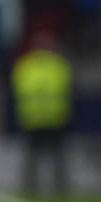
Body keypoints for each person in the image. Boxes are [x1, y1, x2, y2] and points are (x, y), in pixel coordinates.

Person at [11, 30, 72, 193]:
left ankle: (61, 189)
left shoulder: (59, 66)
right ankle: (29, 188)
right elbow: (19, 89)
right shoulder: (25, 66)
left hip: (55, 118)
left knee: (58, 158)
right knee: (32, 158)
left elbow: (66, 90)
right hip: (32, 118)